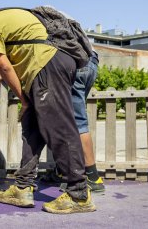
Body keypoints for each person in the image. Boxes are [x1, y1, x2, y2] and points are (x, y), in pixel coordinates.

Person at [0, 3, 96, 214]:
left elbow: (5, 66)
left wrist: (23, 100)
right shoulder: (6, 16)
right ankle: (22, 187)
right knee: (32, 126)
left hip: (45, 64)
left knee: (59, 127)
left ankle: (79, 194)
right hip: (58, 60)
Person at [41, 50, 105, 192]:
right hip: (89, 61)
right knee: (64, 119)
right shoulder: (67, 26)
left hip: (74, 63)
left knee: (77, 122)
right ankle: (62, 171)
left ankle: (92, 178)